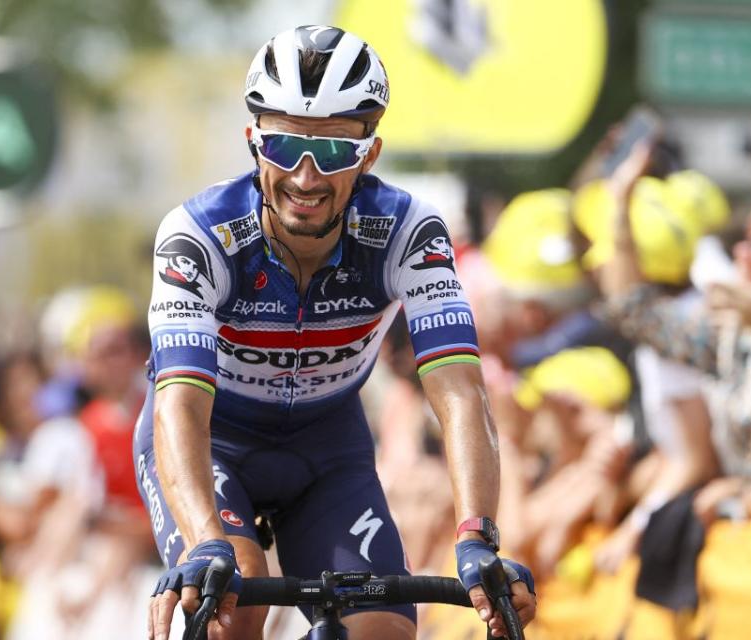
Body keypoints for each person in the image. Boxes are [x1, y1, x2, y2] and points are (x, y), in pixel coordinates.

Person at [137, 25, 535, 640]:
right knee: (232, 601)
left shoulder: (409, 232)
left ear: (369, 155)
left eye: (332, 153)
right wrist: (203, 543)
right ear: (252, 141)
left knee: (384, 629)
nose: (304, 178)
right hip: (215, 443)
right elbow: (181, 409)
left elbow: (459, 391)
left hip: (327, 453)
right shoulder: (198, 236)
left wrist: (476, 534)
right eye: (284, 146)